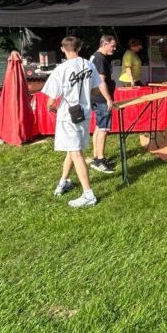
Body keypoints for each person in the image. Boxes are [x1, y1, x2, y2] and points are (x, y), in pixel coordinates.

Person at [42, 36, 112, 208]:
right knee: (72, 149)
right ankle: (63, 181)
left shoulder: (61, 69)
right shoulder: (89, 65)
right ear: (79, 48)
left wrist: (51, 107)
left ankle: (88, 194)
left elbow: (51, 99)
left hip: (68, 116)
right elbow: (96, 89)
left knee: (75, 152)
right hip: (85, 114)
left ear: (62, 49)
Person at [88, 34, 118, 174]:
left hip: (95, 97)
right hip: (101, 99)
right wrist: (108, 98)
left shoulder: (95, 56)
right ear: (104, 44)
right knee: (104, 129)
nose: (114, 48)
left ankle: (96, 157)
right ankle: (100, 160)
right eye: (112, 46)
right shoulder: (100, 59)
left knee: (98, 127)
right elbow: (100, 81)